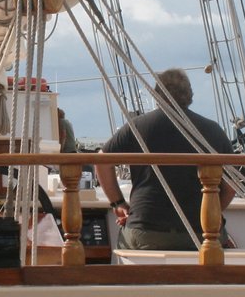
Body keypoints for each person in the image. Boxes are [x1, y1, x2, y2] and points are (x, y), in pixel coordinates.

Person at [96, 68, 234, 250]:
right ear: (189, 94)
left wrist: (118, 203)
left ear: (157, 95)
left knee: (125, 244)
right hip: (200, 231)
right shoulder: (213, 130)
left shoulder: (137, 126)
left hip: (146, 229)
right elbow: (231, 187)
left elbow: (101, 160)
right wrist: (211, 213)